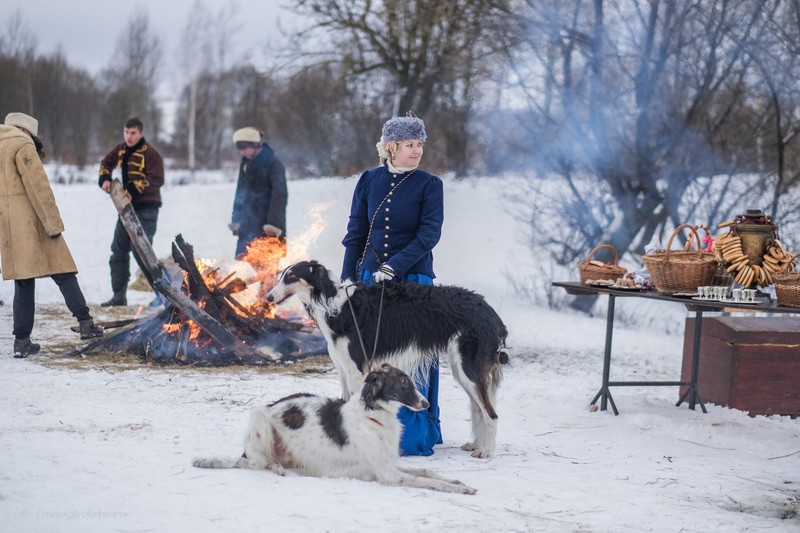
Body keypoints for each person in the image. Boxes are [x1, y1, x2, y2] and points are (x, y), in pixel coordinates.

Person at [340, 115, 444, 456]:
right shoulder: (369, 180)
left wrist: (394, 266)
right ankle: (369, 429)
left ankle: (413, 436)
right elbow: (356, 230)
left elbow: (428, 235)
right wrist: (348, 276)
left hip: (413, 281)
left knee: (413, 358)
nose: (417, 152)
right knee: (372, 358)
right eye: (410, 145)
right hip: (371, 282)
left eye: (420, 145)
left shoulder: (430, 185)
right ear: (391, 148)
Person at [0, 112, 104, 357]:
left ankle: (22, 342)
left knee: (24, 281)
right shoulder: (22, 144)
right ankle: (85, 323)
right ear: (27, 131)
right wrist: (53, 224)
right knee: (64, 270)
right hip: (34, 221)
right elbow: (39, 189)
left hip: (8, 226)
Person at [97, 117, 164, 306]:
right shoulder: (121, 150)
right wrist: (105, 178)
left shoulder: (151, 154)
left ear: (141, 133)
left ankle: (165, 295)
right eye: (126, 132)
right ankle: (119, 296)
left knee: (142, 252)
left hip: (147, 210)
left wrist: (134, 189)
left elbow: (157, 179)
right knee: (118, 251)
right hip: (126, 210)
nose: (129, 136)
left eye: (133, 132)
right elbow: (105, 163)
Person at [229, 127, 288, 259]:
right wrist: (236, 219)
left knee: (267, 268)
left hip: (268, 224)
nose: (241, 151)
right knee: (244, 266)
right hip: (248, 223)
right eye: (239, 147)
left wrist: (273, 225)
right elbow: (240, 193)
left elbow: (280, 195)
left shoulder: (274, 164)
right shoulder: (245, 164)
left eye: (244, 147)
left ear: (255, 145)